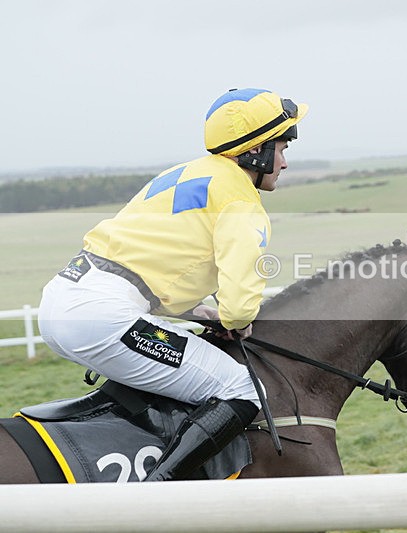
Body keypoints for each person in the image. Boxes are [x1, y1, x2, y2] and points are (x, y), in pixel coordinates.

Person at [37, 87, 308, 481]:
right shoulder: (240, 201)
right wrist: (235, 319)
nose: (284, 163)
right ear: (256, 152)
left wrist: (197, 311)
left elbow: (148, 263)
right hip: (105, 316)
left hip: (65, 299)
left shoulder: (185, 172)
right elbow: (239, 307)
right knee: (244, 390)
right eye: (281, 149)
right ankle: (159, 494)